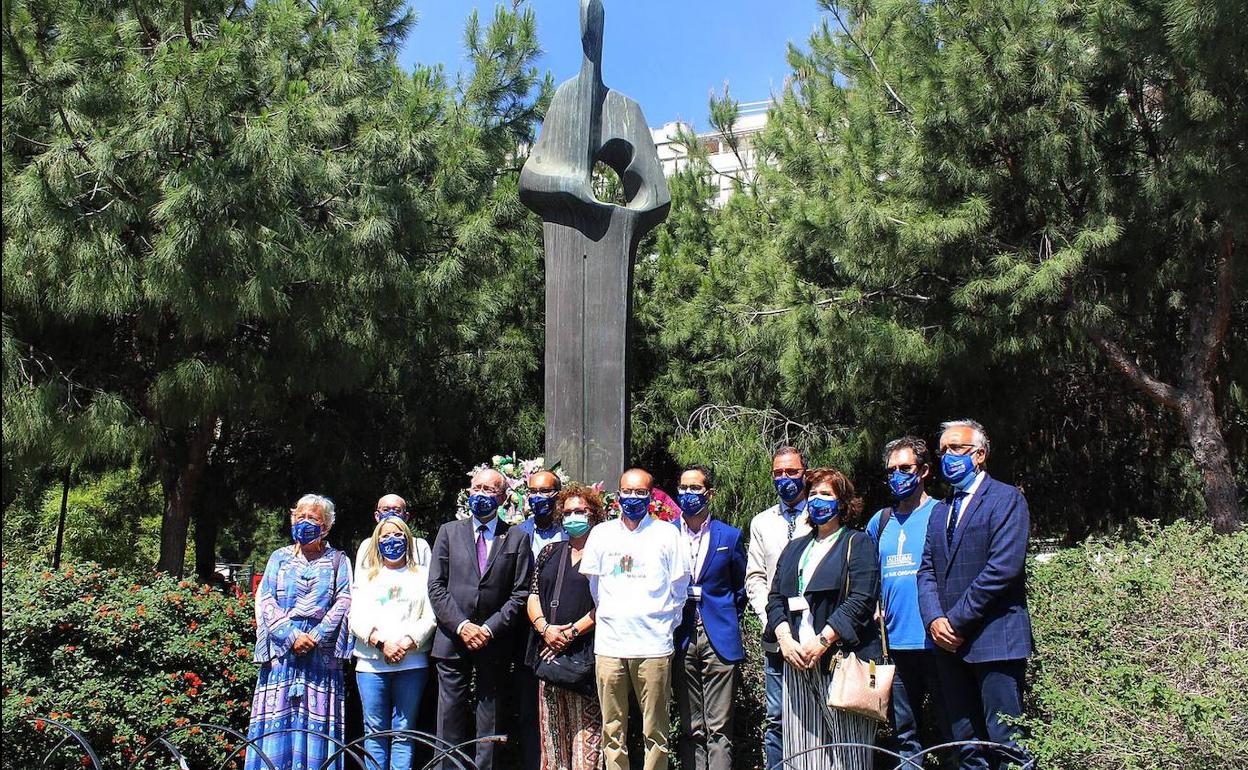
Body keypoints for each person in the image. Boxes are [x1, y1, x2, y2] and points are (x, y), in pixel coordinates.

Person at [917, 420, 1033, 770]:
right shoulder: (941, 510)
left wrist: (954, 621)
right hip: (948, 649)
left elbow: (1002, 569)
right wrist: (935, 620)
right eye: (943, 451)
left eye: (957, 448)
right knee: (966, 746)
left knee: (1007, 743)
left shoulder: (1006, 499)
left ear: (980, 454)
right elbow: (926, 571)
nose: (948, 457)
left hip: (994, 642)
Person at [766, 468, 881, 770]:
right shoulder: (795, 548)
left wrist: (823, 640)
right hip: (796, 661)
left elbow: (861, 600)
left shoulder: (858, 543)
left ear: (842, 502)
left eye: (826, 494)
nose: (817, 500)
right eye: (813, 494)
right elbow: (776, 598)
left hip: (839, 662)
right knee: (803, 752)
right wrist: (784, 639)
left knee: (848, 755)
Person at [580, 467, 690, 770]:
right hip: (611, 646)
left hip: (653, 646)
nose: (632, 498)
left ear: (651, 496)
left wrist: (664, 624)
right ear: (618, 495)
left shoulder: (667, 533)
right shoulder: (601, 534)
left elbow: (679, 588)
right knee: (612, 728)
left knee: (655, 730)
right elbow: (595, 587)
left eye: (640, 492)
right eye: (627, 491)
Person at [427, 468, 534, 770]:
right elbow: (436, 586)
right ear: (469, 492)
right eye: (478, 488)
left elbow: (520, 592)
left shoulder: (516, 537)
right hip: (452, 638)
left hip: (495, 640)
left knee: (491, 717)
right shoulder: (448, 532)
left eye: (490, 490)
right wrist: (462, 626)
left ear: (502, 497)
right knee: (449, 716)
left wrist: (488, 629)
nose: (482, 495)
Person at [245, 494, 352, 770]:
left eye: (313, 518)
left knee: (316, 726)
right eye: (300, 517)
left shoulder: (339, 560)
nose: (305, 522)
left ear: (326, 525)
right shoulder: (278, 558)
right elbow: (266, 599)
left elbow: (344, 601)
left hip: (321, 659)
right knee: (276, 726)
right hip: (282, 658)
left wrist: (315, 636)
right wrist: (292, 636)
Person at [865, 437, 942, 769]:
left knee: (950, 728)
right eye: (892, 470)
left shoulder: (941, 514)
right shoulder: (879, 522)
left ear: (923, 471)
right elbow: (867, 578)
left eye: (905, 468)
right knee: (904, 735)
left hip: (938, 643)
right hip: (894, 646)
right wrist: (873, 606)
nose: (898, 476)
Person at [526, 483, 608, 770]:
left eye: (581, 511)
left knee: (587, 739)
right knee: (552, 739)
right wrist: (544, 628)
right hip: (548, 653)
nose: (574, 516)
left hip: (587, 656)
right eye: (569, 511)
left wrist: (573, 632)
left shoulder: (605, 554)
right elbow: (533, 595)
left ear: (594, 514)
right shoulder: (549, 552)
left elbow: (610, 602)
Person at [672, 464, 747, 770]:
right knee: (691, 726)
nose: (688, 494)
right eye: (684, 488)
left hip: (719, 636)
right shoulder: (665, 534)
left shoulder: (729, 535)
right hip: (680, 635)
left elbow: (739, 587)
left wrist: (725, 616)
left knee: (719, 727)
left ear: (709, 493)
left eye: (695, 488)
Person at [349, 517, 437, 770]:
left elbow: (429, 616)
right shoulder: (367, 577)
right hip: (371, 665)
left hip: (411, 664)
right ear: (376, 542)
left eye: (398, 535)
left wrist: (407, 643)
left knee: (404, 731)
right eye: (385, 536)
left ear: (408, 540)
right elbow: (356, 617)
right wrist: (381, 643)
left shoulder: (422, 575)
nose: (392, 541)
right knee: (374, 730)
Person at [746, 446, 813, 769]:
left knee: (817, 717)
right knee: (777, 718)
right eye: (778, 473)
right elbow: (755, 578)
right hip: (776, 637)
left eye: (792, 472)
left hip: (817, 635)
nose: (784, 479)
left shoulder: (821, 515)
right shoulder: (762, 522)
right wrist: (770, 620)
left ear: (805, 474)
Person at [515, 470, 569, 770]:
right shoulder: (517, 532)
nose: (539, 498)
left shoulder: (574, 531)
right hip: (526, 635)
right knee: (528, 709)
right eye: (533, 492)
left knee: (564, 705)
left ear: (558, 494)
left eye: (546, 492)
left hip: (566, 631)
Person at [355, 493, 432, 574]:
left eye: (397, 510)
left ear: (406, 516)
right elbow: (360, 579)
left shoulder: (420, 546)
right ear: (377, 516)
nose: (391, 514)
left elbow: (431, 578)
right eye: (385, 510)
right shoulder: (367, 546)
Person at [518, 470, 569, 560]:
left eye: (544, 491)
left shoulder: (569, 529)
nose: (537, 496)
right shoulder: (519, 531)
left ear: (558, 495)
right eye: (533, 491)